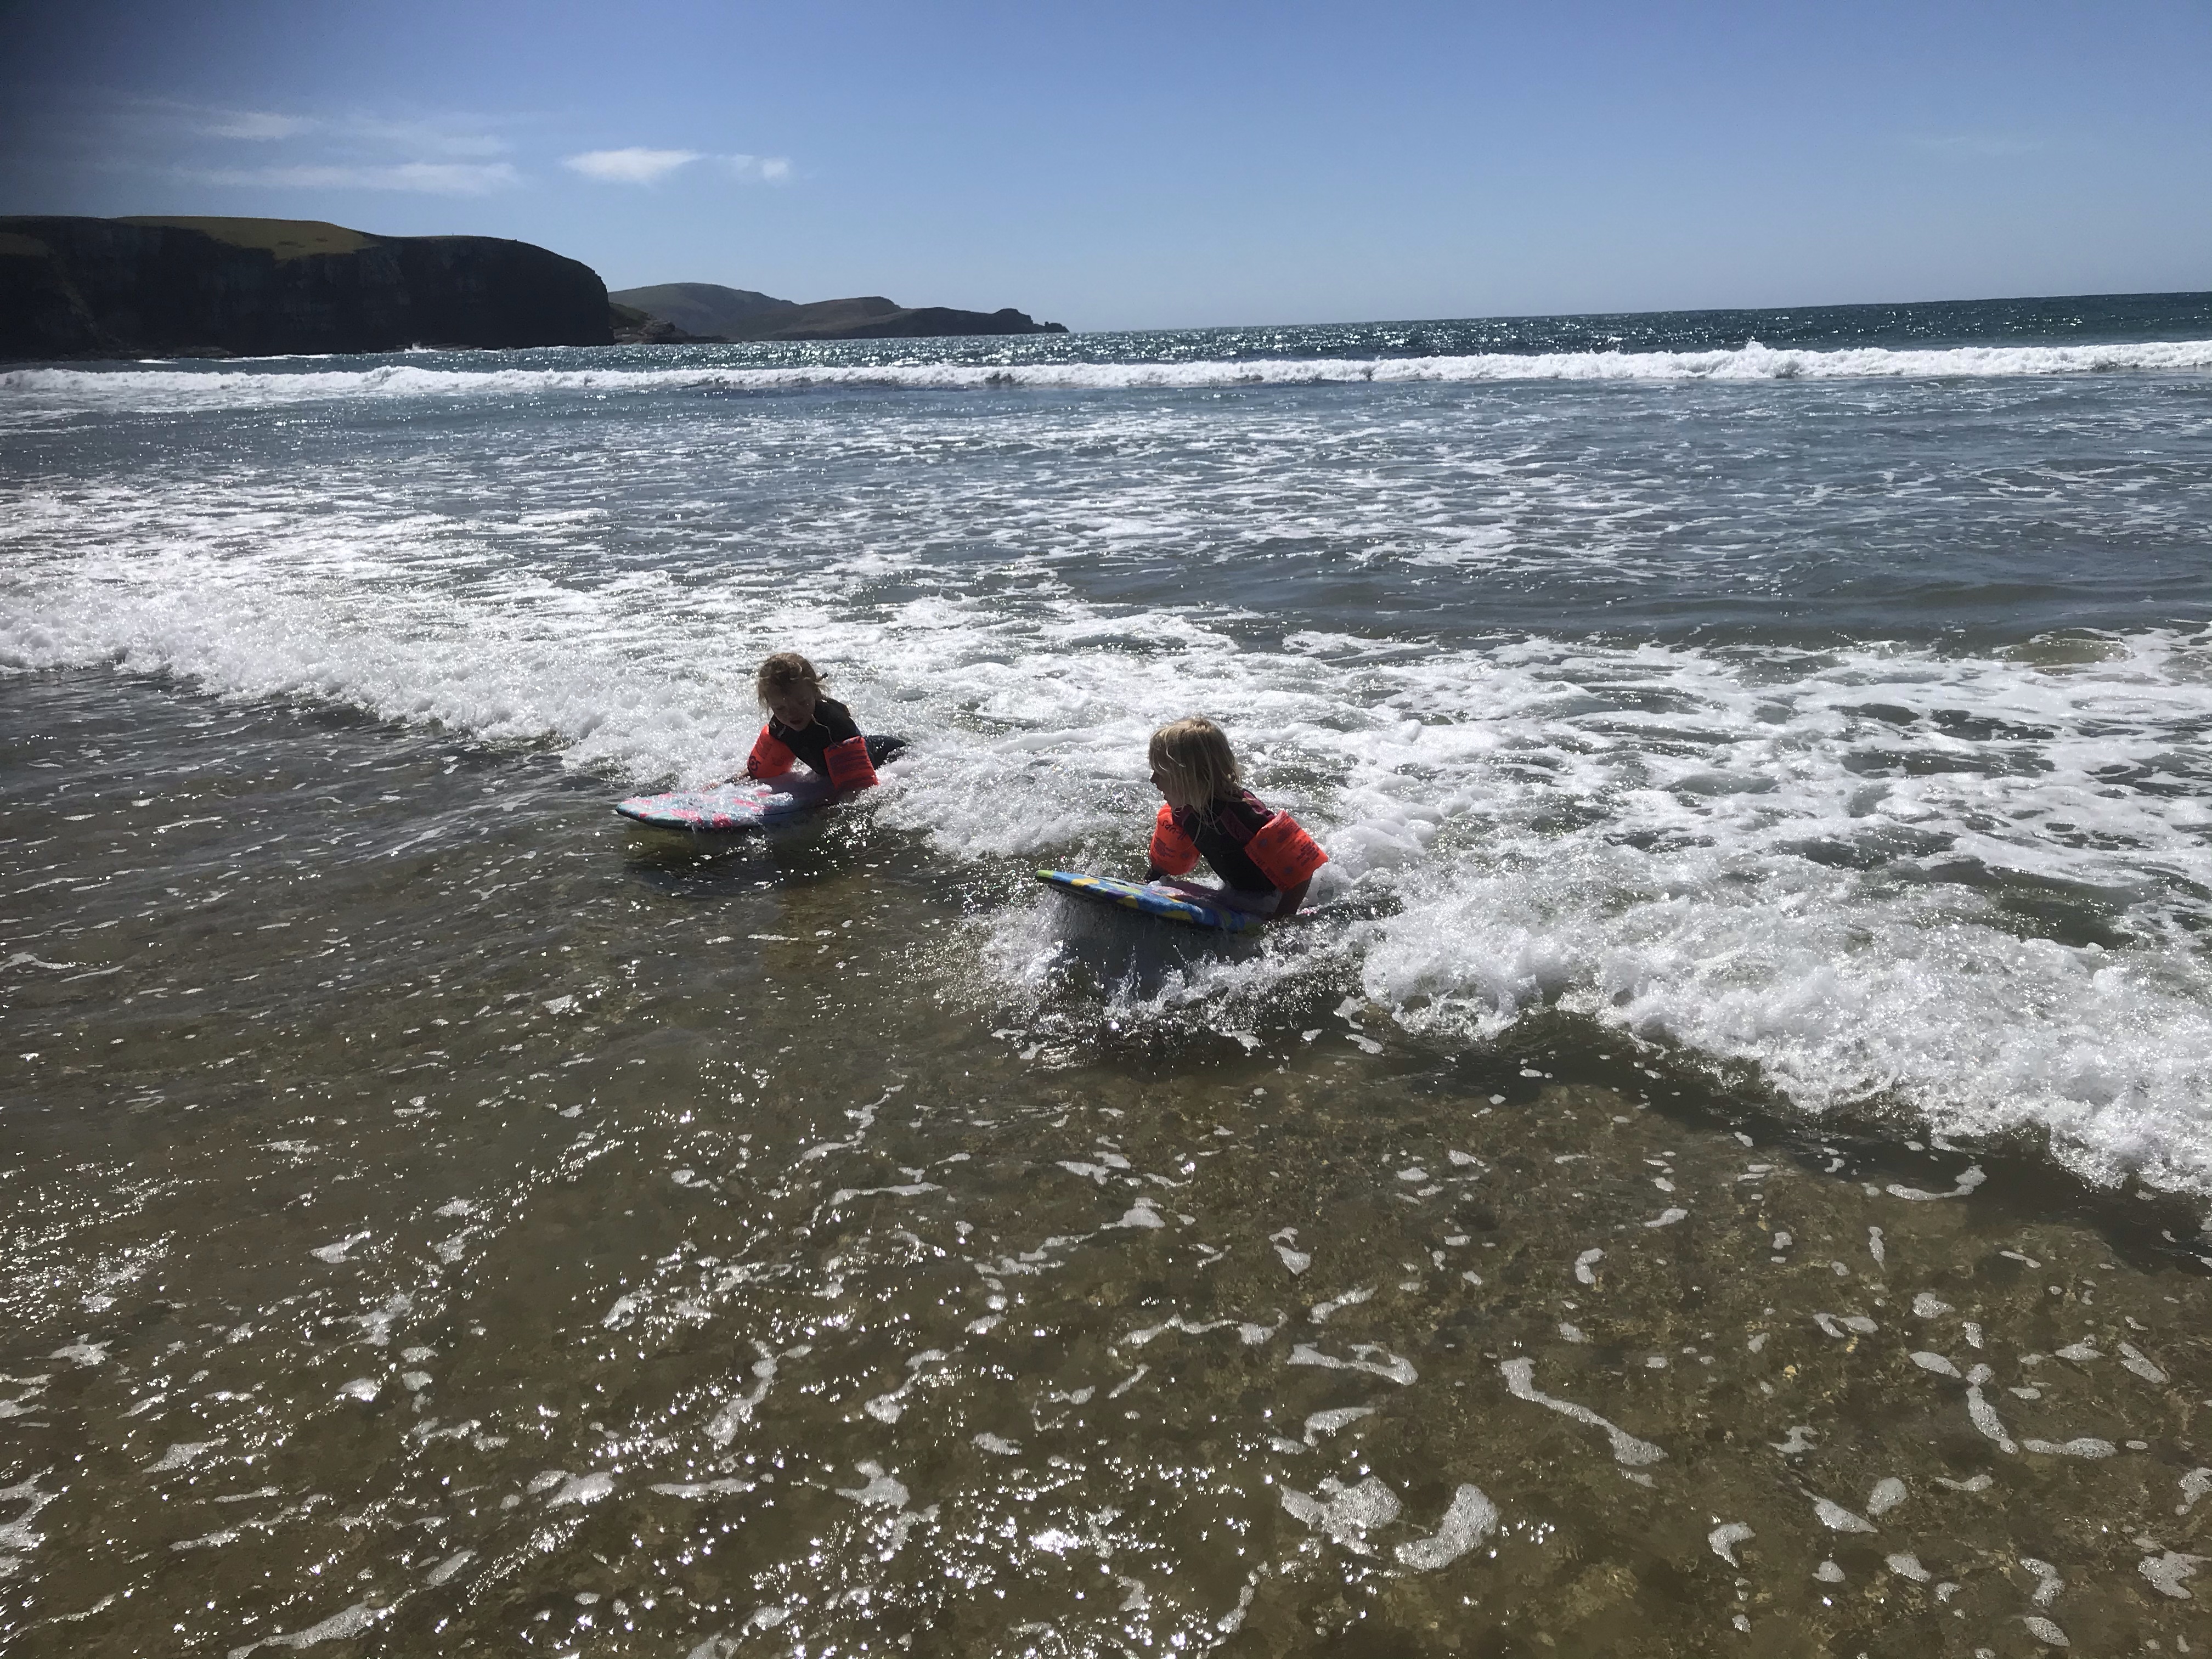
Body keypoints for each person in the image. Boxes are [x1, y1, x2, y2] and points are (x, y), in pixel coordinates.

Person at [1143, 716, 1327, 918]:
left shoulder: (1241, 814)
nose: (1153, 780)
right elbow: (1165, 862)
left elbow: (1303, 872)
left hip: (1278, 897)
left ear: (1190, 776)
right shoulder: (1183, 811)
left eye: (1160, 773)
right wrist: (1149, 883)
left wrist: (1282, 920)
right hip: (1238, 893)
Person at [742, 652, 905, 805]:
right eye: (780, 708)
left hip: (892, 756)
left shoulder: (835, 726)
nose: (791, 713)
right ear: (769, 703)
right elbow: (758, 771)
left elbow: (857, 792)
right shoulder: (779, 726)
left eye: (802, 702)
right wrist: (737, 782)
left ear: (815, 692)